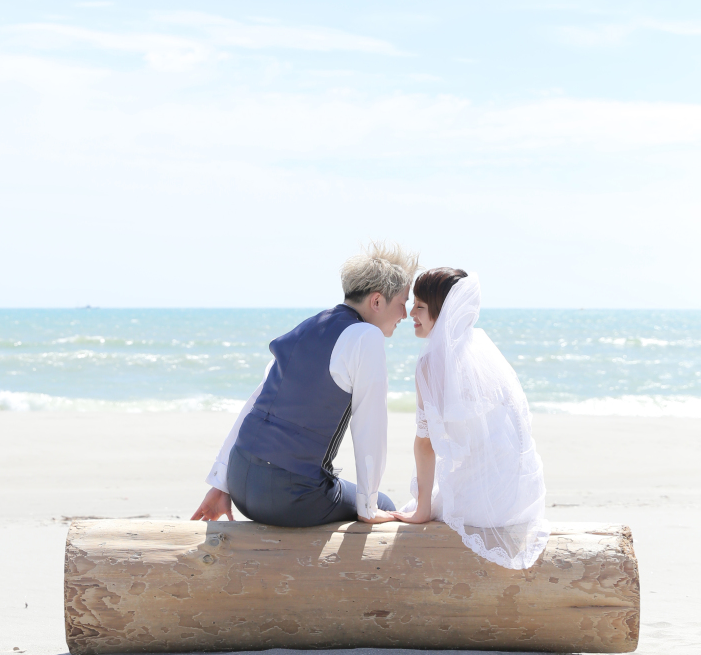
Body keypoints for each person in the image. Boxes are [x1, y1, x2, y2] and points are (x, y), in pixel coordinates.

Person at [191, 242, 418, 527]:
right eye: (402, 303)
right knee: (384, 505)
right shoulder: (366, 337)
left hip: (240, 479)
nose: (405, 315)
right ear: (376, 301)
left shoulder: (310, 325)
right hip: (288, 496)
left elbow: (256, 403)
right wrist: (368, 506)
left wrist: (220, 484)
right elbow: (370, 427)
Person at [394, 267, 550, 569]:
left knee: (414, 506)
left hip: (486, 500)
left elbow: (425, 444)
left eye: (421, 306)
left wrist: (423, 509)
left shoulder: (429, 364)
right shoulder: (484, 350)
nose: (411, 312)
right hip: (522, 496)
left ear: (443, 312)